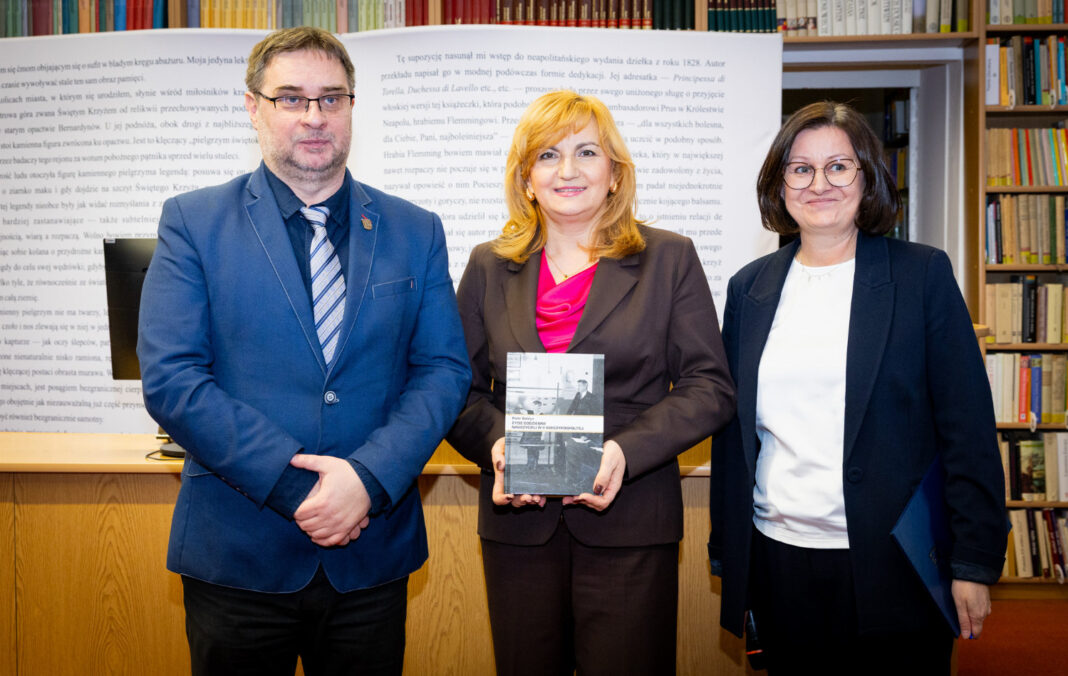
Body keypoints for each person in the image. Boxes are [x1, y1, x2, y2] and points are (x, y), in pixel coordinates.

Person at [136, 27, 470, 675]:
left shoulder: (415, 229)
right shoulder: (194, 222)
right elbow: (174, 380)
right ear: (253, 107)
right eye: (290, 98)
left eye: (331, 98)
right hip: (239, 553)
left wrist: (366, 482)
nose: (314, 116)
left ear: (351, 107)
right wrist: (300, 488)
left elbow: (443, 371)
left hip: (371, 557)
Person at [708, 101, 1008, 674]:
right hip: (779, 558)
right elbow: (733, 434)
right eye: (801, 169)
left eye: (839, 167)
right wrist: (728, 550)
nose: (819, 184)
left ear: (867, 177)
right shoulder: (750, 289)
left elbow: (967, 427)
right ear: (779, 184)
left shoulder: (921, 275)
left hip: (896, 561)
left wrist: (973, 561)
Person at [446, 90, 736, 675]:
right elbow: (456, 389)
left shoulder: (669, 258)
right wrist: (500, 448)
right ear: (527, 179)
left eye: (586, 152)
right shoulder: (487, 265)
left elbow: (710, 386)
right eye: (548, 155)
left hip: (630, 520)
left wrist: (624, 453)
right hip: (518, 525)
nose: (567, 171)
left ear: (615, 173)